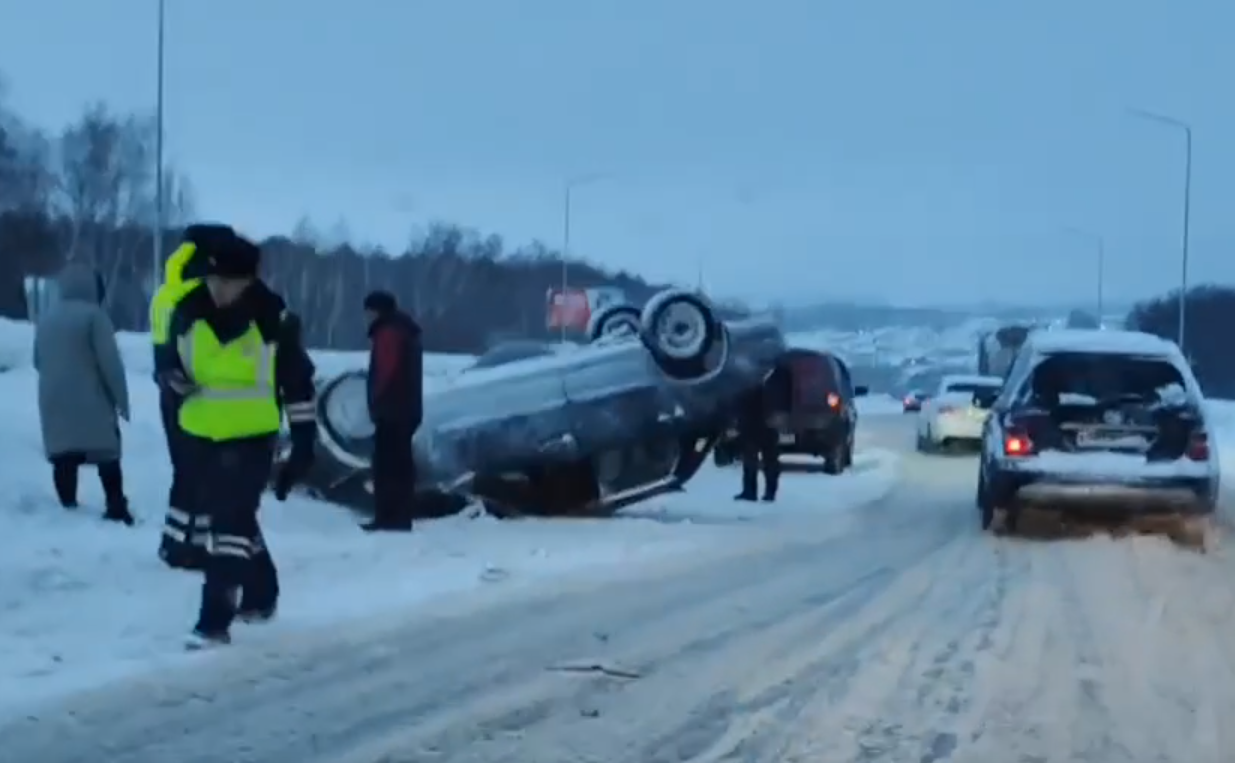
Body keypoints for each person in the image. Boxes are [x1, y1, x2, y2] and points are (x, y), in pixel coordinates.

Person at [155, 227, 316, 648]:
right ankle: (262, 594)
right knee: (234, 518)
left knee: (229, 524)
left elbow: (298, 385)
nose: (219, 290)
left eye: (228, 282)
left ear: (248, 281)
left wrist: (303, 443)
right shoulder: (186, 312)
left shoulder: (274, 321)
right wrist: (172, 381)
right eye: (213, 280)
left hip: (251, 437)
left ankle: (214, 621)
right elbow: (168, 362)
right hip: (198, 434)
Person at [33, 263, 134, 524]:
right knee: (107, 452)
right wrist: (122, 401)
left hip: (53, 399)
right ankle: (115, 505)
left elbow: (37, 360)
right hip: (92, 398)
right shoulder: (94, 316)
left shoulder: (46, 318)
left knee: (64, 453)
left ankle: (67, 506)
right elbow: (110, 363)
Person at [151, 226, 218, 569]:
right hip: (197, 394)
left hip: (170, 391)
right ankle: (187, 546)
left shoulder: (165, 293)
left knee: (186, 470)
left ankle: (177, 541)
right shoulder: (201, 295)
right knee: (202, 472)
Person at [361, 290, 423, 532]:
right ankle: (400, 516)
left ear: (377, 311)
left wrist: (374, 403)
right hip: (407, 409)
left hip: (391, 411)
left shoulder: (388, 333)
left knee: (387, 467)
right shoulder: (407, 331)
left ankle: (387, 517)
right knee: (402, 466)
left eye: (368, 311)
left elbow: (385, 372)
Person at [734, 360, 791, 503]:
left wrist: (782, 415)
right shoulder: (748, 372)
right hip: (750, 422)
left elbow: (787, 395)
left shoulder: (781, 374)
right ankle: (749, 491)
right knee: (749, 460)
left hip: (770, 423)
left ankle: (770, 492)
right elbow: (740, 396)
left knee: (770, 460)